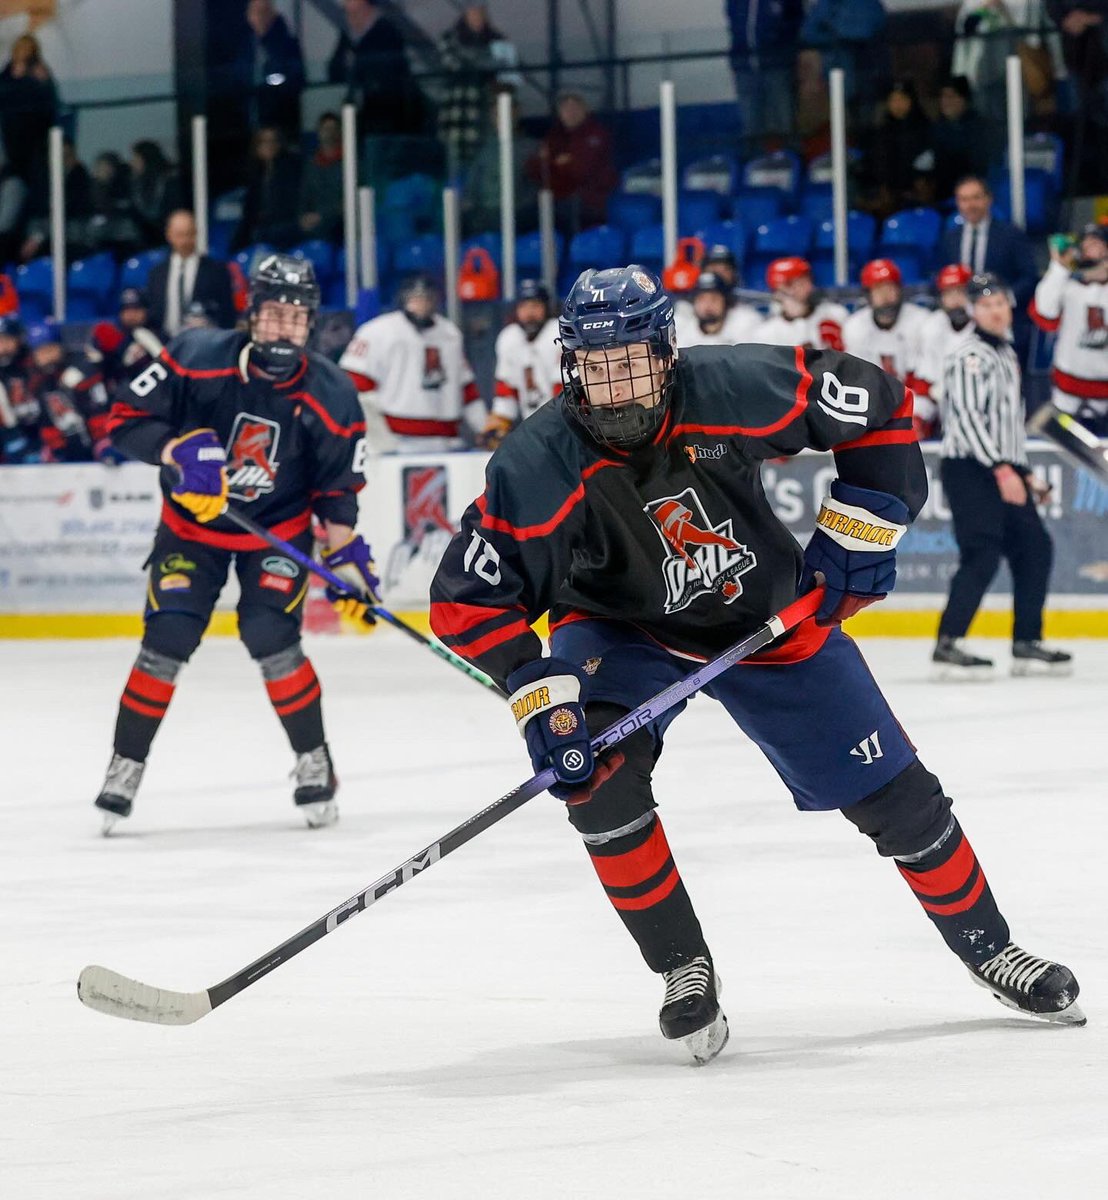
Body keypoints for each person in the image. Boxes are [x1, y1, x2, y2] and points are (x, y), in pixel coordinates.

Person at [427, 263, 1084, 1064]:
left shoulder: (733, 384)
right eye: (597, 367)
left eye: (632, 360)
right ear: (573, 365)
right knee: (597, 779)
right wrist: (541, 696)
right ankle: (682, 969)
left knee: (897, 798)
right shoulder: (535, 464)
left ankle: (990, 949)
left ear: (667, 353)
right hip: (618, 628)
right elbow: (468, 601)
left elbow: (876, 401)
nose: (616, 384)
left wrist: (861, 528)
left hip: (765, 618)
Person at [95, 254, 375, 833]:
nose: (284, 328)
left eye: (297, 317)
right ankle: (125, 765)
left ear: (312, 323)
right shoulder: (195, 355)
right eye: (273, 314)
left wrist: (345, 558)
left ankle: (313, 760)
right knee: (167, 636)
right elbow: (123, 419)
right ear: (251, 315)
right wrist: (174, 451)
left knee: (270, 633)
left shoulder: (334, 394)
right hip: (191, 528)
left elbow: (338, 490)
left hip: (275, 531)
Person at [934, 272, 1072, 678]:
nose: (995, 311)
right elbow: (969, 420)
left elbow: (1006, 425)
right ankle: (949, 642)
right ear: (975, 310)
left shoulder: (1006, 354)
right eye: (986, 305)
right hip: (970, 470)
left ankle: (1026, 640)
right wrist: (1001, 470)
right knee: (982, 553)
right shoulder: (968, 356)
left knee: (1035, 549)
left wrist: (1025, 473)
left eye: (1000, 303)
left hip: (1002, 468)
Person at [339, 273, 485, 453]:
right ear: (403, 300)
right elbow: (353, 384)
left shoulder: (450, 334)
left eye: (426, 299)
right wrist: (378, 436)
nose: (421, 306)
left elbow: (466, 389)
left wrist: (484, 428)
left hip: (447, 441)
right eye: (415, 300)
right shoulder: (377, 332)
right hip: (397, 442)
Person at [1029, 222, 1108, 436]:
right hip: (1068, 392)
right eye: (1087, 243)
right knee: (1066, 454)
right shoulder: (1067, 285)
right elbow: (1045, 314)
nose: (1091, 248)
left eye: (1097, 243)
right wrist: (1059, 268)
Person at [327, 0, 425, 141]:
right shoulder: (348, 37)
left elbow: (386, 77)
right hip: (359, 120)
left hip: (388, 121)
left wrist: (355, 64)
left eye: (354, 13)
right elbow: (334, 72)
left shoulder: (388, 33)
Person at [437, 5, 517, 174]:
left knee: (487, 163)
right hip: (458, 113)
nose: (476, 17)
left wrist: (487, 66)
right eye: (472, 12)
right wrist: (487, 64)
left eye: (480, 12)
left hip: (487, 112)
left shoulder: (498, 40)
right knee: (456, 166)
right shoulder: (449, 39)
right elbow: (455, 65)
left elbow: (509, 74)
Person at [482, 279, 561, 447]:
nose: (529, 313)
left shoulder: (559, 334)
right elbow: (506, 391)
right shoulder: (509, 338)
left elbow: (564, 393)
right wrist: (499, 424)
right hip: (534, 430)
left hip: (565, 426)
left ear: (547, 308)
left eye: (535, 306)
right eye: (524, 307)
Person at [526, 92, 618, 233]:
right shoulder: (554, 136)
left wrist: (552, 164)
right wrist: (557, 163)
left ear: (585, 110)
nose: (571, 113)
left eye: (575, 108)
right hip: (556, 200)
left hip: (589, 201)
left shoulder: (596, 134)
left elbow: (580, 171)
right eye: (566, 109)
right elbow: (534, 170)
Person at [23, 320, 112, 464]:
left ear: (60, 347)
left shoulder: (82, 369)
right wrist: (55, 449)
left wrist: (104, 444)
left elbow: (99, 410)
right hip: (69, 449)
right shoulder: (38, 382)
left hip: (98, 445)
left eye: (50, 349)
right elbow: (46, 422)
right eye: (40, 352)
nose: (46, 357)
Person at [1047, 1, 1108, 191]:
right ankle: (1088, 183)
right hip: (1076, 62)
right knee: (1080, 125)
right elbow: (1053, 8)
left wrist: (1091, 18)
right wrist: (1067, 19)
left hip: (1103, 60)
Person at [724, 0, 803, 146]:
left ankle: (792, 162)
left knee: (785, 121)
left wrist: (778, 39)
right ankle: (754, 165)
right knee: (750, 125)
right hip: (745, 67)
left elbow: (796, 22)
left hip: (777, 66)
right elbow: (734, 22)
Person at [147, 210, 236, 337]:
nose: (184, 241)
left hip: (203, 342)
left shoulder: (216, 271)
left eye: (188, 234)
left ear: (196, 233)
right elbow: (153, 314)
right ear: (169, 235)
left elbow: (227, 314)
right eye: (179, 234)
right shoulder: (156, 273)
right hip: (164, 344)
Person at [843, 259, 929, 388]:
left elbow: (927, 374)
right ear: (868, 295)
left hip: (914, 397)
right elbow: (855, 377)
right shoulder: (854, 326)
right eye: (878, 290)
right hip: (872, 397)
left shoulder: (922, 321)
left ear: (899, 290)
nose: (885, 297)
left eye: (890, 288)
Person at [913, 263, 976, 438]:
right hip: (948, 426)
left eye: (960, 292)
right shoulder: (932, 328)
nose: (955, 300)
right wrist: (917, 418)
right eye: (949, 293)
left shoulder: (985, 322)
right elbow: (925, 387)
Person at [857, 81, 935, 219]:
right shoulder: (882, 132)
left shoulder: (925, 130)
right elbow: (872, 165)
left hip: (914, 197)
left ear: (911, 101)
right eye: (893, 100)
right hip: (886, 196)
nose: (898, 104)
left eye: (902, 99)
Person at [0, 34, 58, 214]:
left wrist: (41, 81)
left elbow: (48, 100)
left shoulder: (39, 70)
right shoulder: (8, 72)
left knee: (34, 175)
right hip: (12, 131)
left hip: (35, 133)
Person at [87, 288, 164, 406]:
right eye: (126, 310)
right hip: (123, 398)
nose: (131, 315)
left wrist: (153, 345)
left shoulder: (160, 335)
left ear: (146, 310)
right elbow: (106, 371)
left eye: (136, 309)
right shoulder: (115, 337)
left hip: (155, 397)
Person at [232, 126, 303, 253]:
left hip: (283, 235)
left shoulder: (289, 172)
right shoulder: (256, 176)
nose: (268, 145)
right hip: (261, 236)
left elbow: (291, 210)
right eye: (264, 141)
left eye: (272, 141)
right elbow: (249, 215)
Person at [755, 257, 847, 350]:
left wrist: (834, 351)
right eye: (800, 282)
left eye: (808, 279)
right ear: (781, 288)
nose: (809, 285)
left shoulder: (834, 315)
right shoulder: (767, 332)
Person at [244, 0, 305, 140]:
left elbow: (296, 78)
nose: (259, 17)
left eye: (264, 12)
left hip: (280, 121)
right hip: (249, 123)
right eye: (256, 13)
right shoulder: (245, 47)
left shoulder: (288, 45)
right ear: (248, 16)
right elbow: (237, 77)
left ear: (272, 15)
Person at [931, 76, 994, 201]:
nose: (945, 101)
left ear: (964, 99)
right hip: (941, 197)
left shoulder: (979, 128)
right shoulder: (936, 128)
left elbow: (979, 166)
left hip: (971, 195)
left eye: (951, 96)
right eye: (943, 97)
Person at [674, 270, 761, 348]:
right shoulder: (682, 331)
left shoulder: (744, 325)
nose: (708, 305)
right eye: (702, 299)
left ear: (725, 301)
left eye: (714, 299)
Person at [298, 112, 344, 244]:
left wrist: (322, 216)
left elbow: (346, 203)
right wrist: (302, 218)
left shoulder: (350, 163)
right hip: (313, 222)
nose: (329, 133)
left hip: (338, 223)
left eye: (333, 129)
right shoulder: (312, 165)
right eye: (325, 129)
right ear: (318, 132)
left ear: (340, 132)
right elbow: (304, 197)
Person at [127, 141, 181, 250]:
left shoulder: (170, 181)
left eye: (136, 158)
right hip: (143, 241)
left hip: (167, 239)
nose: (132, 163)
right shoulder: (135, 184)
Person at [0, 315, 37, 463]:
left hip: (38, 431)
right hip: (10, 435)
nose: (2, 346)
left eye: (7, 340)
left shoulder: (32, 364)